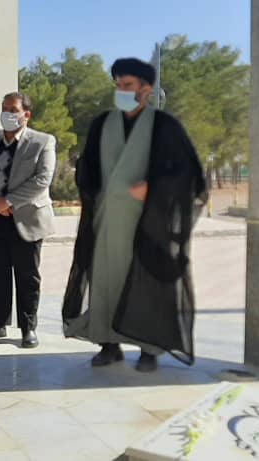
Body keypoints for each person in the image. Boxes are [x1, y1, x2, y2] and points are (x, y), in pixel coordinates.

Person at [63, 58, 207, 372]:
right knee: (106, 281)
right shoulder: (102, 123)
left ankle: (149, 349)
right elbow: (87, 168)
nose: (122, 91)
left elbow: (189, 174)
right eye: (118, 85)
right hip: (108, 221)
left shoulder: (165, 126)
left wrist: (155, 187)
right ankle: (108, 345)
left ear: (146, 88)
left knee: (147, 283)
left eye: (127, 85)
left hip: (149, 224)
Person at [0, 92, 56, 349]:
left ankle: (28, 328)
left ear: (26, 114)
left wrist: (8, 201)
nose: (7, 113)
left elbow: (42, 179)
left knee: (27, 277)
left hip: (26, 219)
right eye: (4, 108)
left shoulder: (42, 141)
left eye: (13, 109)